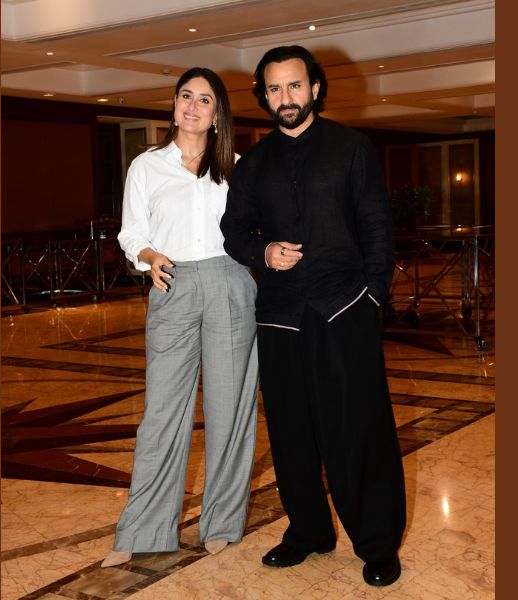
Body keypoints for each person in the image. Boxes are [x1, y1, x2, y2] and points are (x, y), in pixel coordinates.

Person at [220, 45, 406, 587]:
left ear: (315, 88)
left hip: (344, 309)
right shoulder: (254, 163)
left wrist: (373, 297)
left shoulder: (352, 148)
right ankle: (309, 531)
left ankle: (377, 544)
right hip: (280, 316)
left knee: (358, 430)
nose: (286, 97)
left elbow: (377, 228)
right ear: (264, 96)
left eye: (294, 85)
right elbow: (234, 231)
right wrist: (263, 252)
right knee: (291, 433)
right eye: (274, 89)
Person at [102, 67, 259, 567]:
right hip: (170, 284)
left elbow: (255, 229)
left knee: (229, 408)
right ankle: (143, 528)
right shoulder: (147, 166)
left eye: (204, 99)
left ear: (217, 114)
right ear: (173, 105)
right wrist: (149, 256)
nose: (193, 106)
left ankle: (222, 522)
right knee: (161, 412)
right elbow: (131, 232)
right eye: (185, 96)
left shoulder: (238, 168)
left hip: (230, 282)